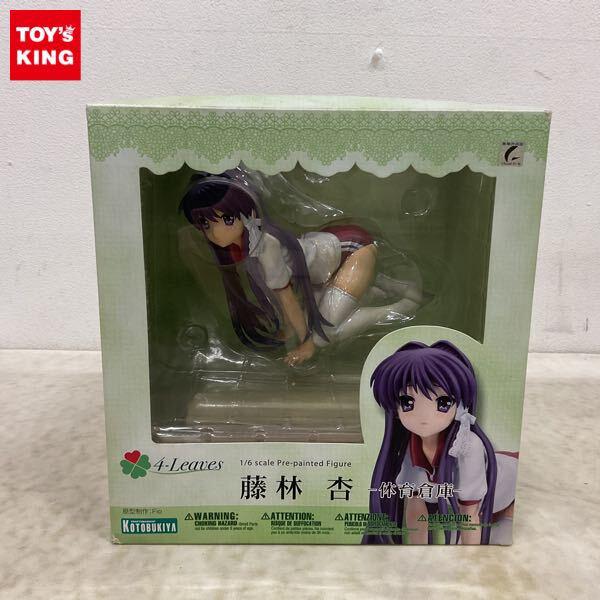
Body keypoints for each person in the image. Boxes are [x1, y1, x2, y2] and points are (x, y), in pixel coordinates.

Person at [179, 168, 422, 365]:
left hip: (353, 251)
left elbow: (287, 299)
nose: (215, 232)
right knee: (313, 318)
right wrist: (290, 329)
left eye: (227, 219)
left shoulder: (265, 246)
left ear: (247, 212)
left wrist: (307, 343)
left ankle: (400, 306)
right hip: (327, 266)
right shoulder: (248, 246)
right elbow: (289, 295)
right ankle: (372, 287)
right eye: (205, 223)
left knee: (325, 335)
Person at [364, 340, 517, 545]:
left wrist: (469, 557)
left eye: (443, 402)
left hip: (506, 491)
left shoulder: (468, 446)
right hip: (470, 506)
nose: (424, 416)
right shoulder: (411, 447)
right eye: (407, 402)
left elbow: (469, 512)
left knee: (496, 531)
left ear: (460, 406)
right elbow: (415, 507)